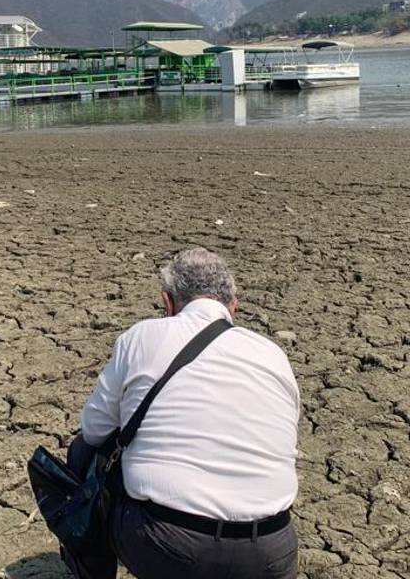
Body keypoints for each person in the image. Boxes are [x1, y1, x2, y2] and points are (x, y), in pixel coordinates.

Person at [68, 247, 301, 579]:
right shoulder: (273, 354)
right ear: (233, 305)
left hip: (170, 548)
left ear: (167, 302)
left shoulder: (142, 336)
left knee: (83, 453)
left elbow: (93, 431)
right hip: (272, 550)